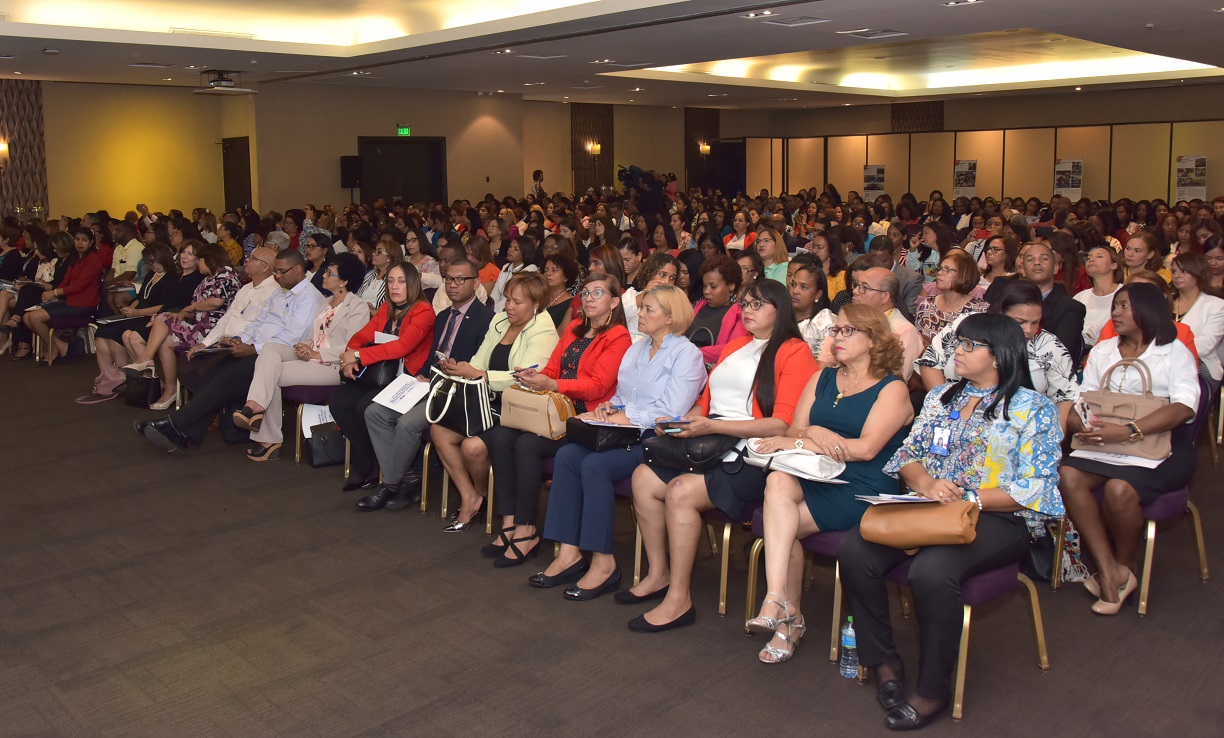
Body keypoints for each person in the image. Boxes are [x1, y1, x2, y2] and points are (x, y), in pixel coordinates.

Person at [840, 313, 1064, 730]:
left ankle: (932, 688)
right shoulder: (941, 396)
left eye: (968, 345)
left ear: (998, 355)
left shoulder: (1032, 408)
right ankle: (884, 660)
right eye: (956, 343)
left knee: (932, 570)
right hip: (931, 506)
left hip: (1000, 516)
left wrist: (970, 496)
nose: (955, 351)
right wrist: (926, 481)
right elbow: (907, 454)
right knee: (856, 549)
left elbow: (1036, 487)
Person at [626, 279, 818, 632]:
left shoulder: (793, 351)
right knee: (643, 478)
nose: (747, 310)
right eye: (745, 304)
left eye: (757, 304)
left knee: (681, 491)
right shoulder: (736, 347)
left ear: (781, 310)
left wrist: (712, 428)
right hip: (711, 439)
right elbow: (708, 401)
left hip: (756, 454)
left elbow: (782, 424)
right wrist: (686, 422)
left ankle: (679, 599)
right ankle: (658, 574)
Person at [745, 304, 911, 660]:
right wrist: (815, 434)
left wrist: (806, 438)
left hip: (862, 487)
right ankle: (779, 601)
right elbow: (793, 429)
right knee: (777, 483)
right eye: (836, 330)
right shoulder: (823, 377)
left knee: (780, 524)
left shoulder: (892, 388)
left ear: (873, 339)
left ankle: (788, 619)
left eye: (847, 331)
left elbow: (865, 450)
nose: (836, 337)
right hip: (817, 473)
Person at [532, 285, 705, 600]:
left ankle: (603, 561)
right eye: (642, 308)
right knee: (569, 455)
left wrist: (627, 416)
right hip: (624, 431)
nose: (640, 313)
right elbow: (624, 396)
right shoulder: (637, 350)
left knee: (595, 465)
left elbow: (672, 411)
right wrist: (610, 408)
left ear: (670, 318)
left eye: (649, 309)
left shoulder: (686, 355)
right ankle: (569, 552)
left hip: (657, 439)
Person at [1059, 283, 1199, 615]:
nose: (1116, 312)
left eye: (1124, 306)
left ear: (1148, 310)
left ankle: (1126, 564)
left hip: (1160, 445)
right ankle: (1110, 570)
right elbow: (1084, 398)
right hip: (1104, 439)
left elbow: (1184, 407)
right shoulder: (1104, 349)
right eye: (1115, 306)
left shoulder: (1172, 350)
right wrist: (1082, 423)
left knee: (1120, 490)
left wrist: (1126, 430)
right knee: (1067, 474)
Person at [482, 274, 632, 566]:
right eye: (585, 292)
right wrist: (536, 377)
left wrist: (554, 385)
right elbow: (552, 368)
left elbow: (598, 386)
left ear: (614, 302)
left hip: (584, 418)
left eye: (597, 293)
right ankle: (510, 521)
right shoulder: (575, 328)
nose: (588, 298)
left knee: (526, 444)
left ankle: (527, 530)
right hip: (552, 411)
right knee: (500, 436)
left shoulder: (618, 337)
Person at [135, 249, 326, 456]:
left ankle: (176, 425)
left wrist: (252, 348)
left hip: (282, 355)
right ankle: (183, 431)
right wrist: (240, 339)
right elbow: (258, 323)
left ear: (297, 269)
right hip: (258, 348)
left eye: (281, 271)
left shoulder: (309, 297)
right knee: (212, 369)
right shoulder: (281, 291)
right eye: (276, 272)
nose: (277, 276)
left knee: (226, 376)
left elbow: (292, 337)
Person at [359, 258, 494, 510]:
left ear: (476, 283)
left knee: (408, 424)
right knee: (374, 412)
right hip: (427, 383)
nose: (453, 285)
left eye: (460, 279)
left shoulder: (487, 319)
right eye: (449, 279)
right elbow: (433, 354)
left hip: (455, 391)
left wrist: (453, 373)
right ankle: (408, 479)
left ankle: (389, 485)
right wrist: (421, 375)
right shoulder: (443, 316)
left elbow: (480, 366)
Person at [430, 273, 558, 531]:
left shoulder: (544, 330)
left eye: (517, 302)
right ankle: (473, 496)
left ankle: (495, 497)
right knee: (438, 430)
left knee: (472, 448)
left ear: (536, 305)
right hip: (485, 400)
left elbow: (524, 378)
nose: (508, 306)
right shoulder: (500, 320)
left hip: (517, 408)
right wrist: (462, 368)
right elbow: (479, 361)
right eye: (508, 299)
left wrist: (481, 375)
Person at [233, 253, 370, 460]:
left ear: (344, 280)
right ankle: (255, 407)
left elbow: (352, 345)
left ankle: (264, 429)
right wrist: (304, 347)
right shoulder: (325, 303)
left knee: (271, 373)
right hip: (311, 358)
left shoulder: (357, 306)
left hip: (332, 365)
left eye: (329, 273)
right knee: (270, 349)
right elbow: (311, 336)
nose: (323, 276)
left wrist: (317, 353)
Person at [918, 280, 1079, 430]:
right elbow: (930, 362)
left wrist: (1053, 439)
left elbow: (1065, 396)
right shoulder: (968, 327)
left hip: (1018, 427)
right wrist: (945, 406)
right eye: (1020, 322)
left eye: (1035, 322)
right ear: (1000, 313)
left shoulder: (1048, 345)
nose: (1029, 330)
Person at [327, 262, 435, 481]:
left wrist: (358, 356)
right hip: (382, 375)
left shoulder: (424, 311)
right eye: (391, 281)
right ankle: (368, 457)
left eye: (401, 281)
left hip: (408, 378)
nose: (395, 286)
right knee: (338, 402)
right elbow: (362, 336)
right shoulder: (387, 307)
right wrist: (350, 356)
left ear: (412, 284)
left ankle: (374, 466)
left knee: (363, 407)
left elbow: (402, 347)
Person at [122, 242, 242, 408]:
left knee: (161, 319)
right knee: (164, 332)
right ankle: (169, 389)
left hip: (214, 329)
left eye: (198, 259)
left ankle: (147, 359)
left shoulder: (225, 274)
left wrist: (190, 308)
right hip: (200, 323)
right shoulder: (209, 277)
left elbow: (216, 302)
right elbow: (197, 307)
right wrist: (181, 313)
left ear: (208, 260)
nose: (197, 263)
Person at [75, 242, 180, 404]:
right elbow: (141, 299)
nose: (152, 266)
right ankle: (109, 379)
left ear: (163, 259)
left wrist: (136, 312)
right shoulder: (152, 275)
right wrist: (131, 308)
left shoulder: (172, 277)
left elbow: (163, 306)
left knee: (118, 334)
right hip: (139, 313)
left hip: (150, 316)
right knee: (102, 332)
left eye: (154, 262)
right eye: (149, 262)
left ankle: (124, 378)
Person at [22, 227, 104, 366]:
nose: (80, 243)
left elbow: (80, 286)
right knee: (26, 317)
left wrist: (55, 293)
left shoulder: (93, 259)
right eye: (77, 239)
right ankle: (60, 346)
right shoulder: (75, 258)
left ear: (91, 243)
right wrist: (53, 294)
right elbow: (66, 281)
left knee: (35, 317)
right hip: (70, 301)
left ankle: (54, 349)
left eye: (84, 240)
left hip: (84, 304)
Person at [841, 266, 923, 381]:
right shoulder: (847, 321)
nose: (855, 291)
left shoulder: (903, 332)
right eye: (856, 285)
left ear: (884, 297)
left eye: (864, 287)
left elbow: (894, 381)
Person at [1169, 252, 1224, 395]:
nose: (1177, 276)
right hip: (1164, 363)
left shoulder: (1216, 305)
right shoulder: (1166, 303)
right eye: (1174, 271)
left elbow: (1206, 345)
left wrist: (1168, 351)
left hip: (1201, 365)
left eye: (1184, 271)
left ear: (1198, 272)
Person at [913, 249, 988, 344]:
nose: (940, 273)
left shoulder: (979, 310)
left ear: (964, 275)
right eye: (940, 268)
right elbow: (917, 341)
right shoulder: (926, 305)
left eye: (947, 270)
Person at [688, 255, 746, 363]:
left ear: (731, 285)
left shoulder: (740, 313)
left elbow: (732, 348)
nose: (707, 291)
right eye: (705, 286)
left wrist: (690, 353)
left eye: (713, 286)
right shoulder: (700, 305)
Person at [1074, 244, 1124, 350]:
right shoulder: (1080, 297)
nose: (1091, 259)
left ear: (1114, 265)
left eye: (1099, 256)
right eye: (1089, 258)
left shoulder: (1125, 294)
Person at [623, 252, 680, 341]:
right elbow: (617, 316)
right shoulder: (631, 295)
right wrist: (645, 294)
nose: (666, 281)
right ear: (650, 273)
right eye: (663, 275)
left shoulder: (674, 305)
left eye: (672, 278)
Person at [867, 234, 921, 323]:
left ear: (894, 254)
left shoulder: (912, 279)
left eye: (884, 261)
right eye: (874, 260)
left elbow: (908, 316)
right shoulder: (864, 272)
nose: (879, 265)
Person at [490, 236, 539, 312]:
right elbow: (495, 294)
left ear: (525, 253)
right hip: (497, 311)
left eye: (516, 249)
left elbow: (515, 299)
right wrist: (490, 310)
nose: (510, 250)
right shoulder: (506, 267)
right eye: (510, 247)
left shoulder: (530, 270)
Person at [357, 239, 401, 310]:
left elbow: (393, 307)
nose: (373, 254)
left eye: (379, 252)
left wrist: (375, 310)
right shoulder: (370, 275)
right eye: (375, 251)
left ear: (389, 258)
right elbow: (357, 296)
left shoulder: (395, 279)